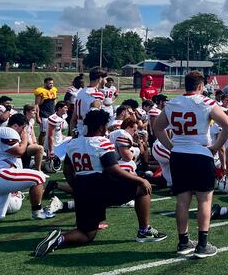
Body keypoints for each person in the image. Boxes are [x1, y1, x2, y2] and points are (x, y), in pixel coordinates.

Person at [34, 109, 167, 257]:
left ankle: (60, 238)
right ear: (100, 127)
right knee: (142, 188)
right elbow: (113, 170)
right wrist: (140, 179)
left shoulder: (73, 143)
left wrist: (76, 188)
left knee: (86, 235)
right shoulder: (101, 142)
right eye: (105, 126)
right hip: (100, 186)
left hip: (83, 187)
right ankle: (144, 231)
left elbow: (67, 171)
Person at [153, 71, 228, 258]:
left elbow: (158, 127)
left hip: (179, 155)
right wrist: (215, 147)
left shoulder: (172, 103)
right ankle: (203, 244)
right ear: (200, 86)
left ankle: (183, 242)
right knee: (204, 200)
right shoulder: (206, 102)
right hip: (200, 153)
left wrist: (172, 146)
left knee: (182, 199)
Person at [72, 67, 106, 137]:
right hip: (90, 134)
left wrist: (74, 136)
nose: (105, 81)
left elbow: (73, 120)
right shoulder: (97, 94)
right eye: (105, 79)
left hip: (79, 132)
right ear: (100, 79)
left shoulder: (81, 92)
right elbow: (96, 119)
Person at [34, 77, 58, 146]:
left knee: (54, 132)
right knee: (43, 132)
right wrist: (37, 116)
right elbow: (36, 105)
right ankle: (41, 147)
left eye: (52, 83)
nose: (51, 85)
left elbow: (54, 102)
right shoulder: (40, 91)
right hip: (44, 114)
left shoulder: (54, 90)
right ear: (45, 83)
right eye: (50, 83)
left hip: (52, 113)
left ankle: (50, 146)